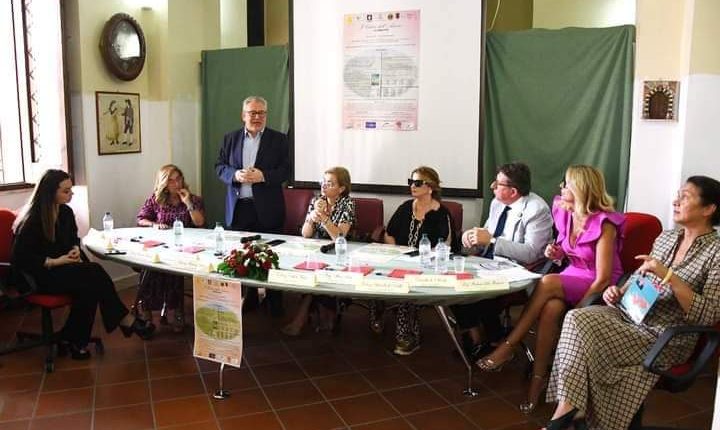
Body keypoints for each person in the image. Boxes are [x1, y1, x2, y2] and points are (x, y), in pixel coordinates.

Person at [542, 175, 720, 430]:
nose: (675, 201)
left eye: (685, 197)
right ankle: (571, 408)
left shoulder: (716, 252)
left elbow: (710, 313)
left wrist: (669, 277)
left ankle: (567, 414)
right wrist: (619, 291)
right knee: (577, 317)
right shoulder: (667, 238)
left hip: (665, 335)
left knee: (584, 336)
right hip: (632, 315)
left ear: (709, 208)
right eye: (677, 195)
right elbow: (640, 277)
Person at [477, 165, 625, 415]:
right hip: (573, 274)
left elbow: (602, 279)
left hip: (598, 282)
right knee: (550, 308)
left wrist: (578, 311)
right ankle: (538, 382)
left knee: (547, 282)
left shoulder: (605, 223)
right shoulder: (566, 212)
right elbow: (565, 252)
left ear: (580, 188)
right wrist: (555, 253)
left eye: (566, 184)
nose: (561, 187)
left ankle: (509, 345)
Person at [11, 170, 154, 359]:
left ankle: (75, 340)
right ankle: (123, 320)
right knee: (93, 274)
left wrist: (74, 250)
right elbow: (21, 258)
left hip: (63, 269)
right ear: (50, 192)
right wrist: (56, 261)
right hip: (39, 276)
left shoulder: (65, 212)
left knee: (90, 285)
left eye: (71, 190)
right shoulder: (32, 220)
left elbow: (73, 239)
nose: (71, 194)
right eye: (66, 191)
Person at [451, 162, 553, 359]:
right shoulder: (497, 203)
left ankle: (487, 339)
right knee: (453, 284)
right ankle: (480, 335)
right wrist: (471, 237)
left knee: (472, 294)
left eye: (498, 184)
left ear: (513, 191)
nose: (493, 187)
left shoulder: (537, 210)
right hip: (488, 263)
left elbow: (532, 253)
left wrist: (491, 241)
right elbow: (486, 233)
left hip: (517, 269)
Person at [215, 96, 290, 316]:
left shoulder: (279, 140)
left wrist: (263, 176)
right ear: (243, 115)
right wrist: (234, 175)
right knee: (241, 257)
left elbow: (286, 170)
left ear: (266, 115)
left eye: (261, 113)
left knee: (272, 256)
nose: (257, 117)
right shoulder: (230, 138)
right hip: (239, 208)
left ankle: (274, 301)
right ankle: (248, 299)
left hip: (268, 208)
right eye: (252, 113)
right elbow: (219, 166)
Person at [376, 166, 458, 355]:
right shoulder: (406, 207)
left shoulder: (441, 213)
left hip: (427, 266)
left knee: (408, 287)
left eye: (418, 183)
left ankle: (407, 336)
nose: (412, 186)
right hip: (400, 260)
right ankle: (377, 318)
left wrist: (423, 259)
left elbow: (445, 245)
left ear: (431, 187)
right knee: (375, 275)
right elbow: (389, 233)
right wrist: (396, 252)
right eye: (411, 182)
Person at [282, 167, 355, 336]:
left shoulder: (348, 203)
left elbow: (339, 237)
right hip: (317, 251)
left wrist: (324, 218)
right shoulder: (317, 200)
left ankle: (303, 317)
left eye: (330, 183)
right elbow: (306, 234)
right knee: (311, 273)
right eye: (323, 182)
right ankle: (321, 315)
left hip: (340, 253)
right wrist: (312, 216)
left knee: (319, 276)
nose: (324, 186)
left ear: (341, 188)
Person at [136, 164, 205, 332]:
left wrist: (188, 203)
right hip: (162, 246)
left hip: (185, 246)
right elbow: (141, 219)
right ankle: (147, 310)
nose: (176, 184)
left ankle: (178, 311)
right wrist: (154, 225)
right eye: (171, 181)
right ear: (164, 184)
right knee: (150, 267)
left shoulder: (193, 199)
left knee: (174, 268)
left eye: (179, 179)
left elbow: (199, 222)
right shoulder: (156, 199)